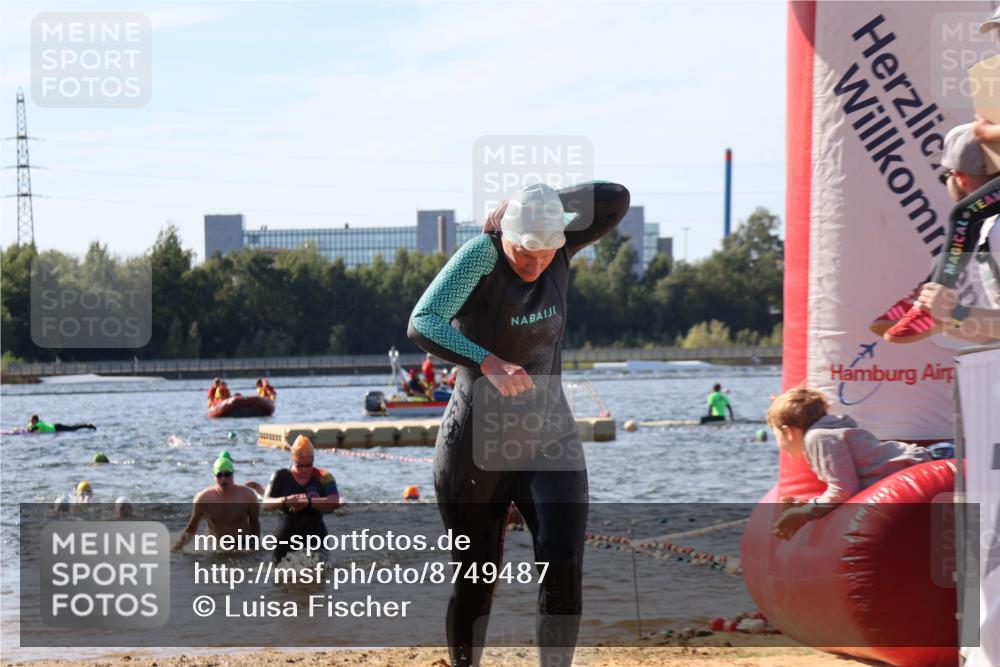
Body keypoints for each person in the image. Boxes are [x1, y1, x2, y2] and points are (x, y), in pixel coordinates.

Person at [408, 181, 630, 667]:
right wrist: (486, 361)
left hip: (549, 438)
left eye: (545, 254)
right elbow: (423, 321)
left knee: (563, 562)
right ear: (506, 234)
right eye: (525, 252)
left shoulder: (561, 245)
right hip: (475, 445)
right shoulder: (481, 257)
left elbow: (616, 199)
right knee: (477, 578)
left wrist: (539, 204)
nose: (535, 265)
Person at [882, 123, 1000, 342]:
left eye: (945, 175)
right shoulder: (988, 227)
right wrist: (948, 316)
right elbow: (992, 335)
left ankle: (924, 311)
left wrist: (956, 312)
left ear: (960, 176)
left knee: (962, 215)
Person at [767, 388, 931, 540]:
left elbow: (845, 489)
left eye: (776, 435)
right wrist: (810, 504)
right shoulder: (826, 433)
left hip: (921, 466)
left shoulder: (818, 438)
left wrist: (804, 513)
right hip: (921, 463)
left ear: (788, 431)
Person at [262, 435, 341, 562]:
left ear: (313, 460)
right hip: (285, 541)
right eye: (300, 465)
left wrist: (308, 502)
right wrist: (285, 500)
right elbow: (265, 504)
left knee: (318, 574)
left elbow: (335, 501)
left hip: (315, 539)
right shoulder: (280, 476)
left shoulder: (324, 476)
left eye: (309, 465)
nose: (305, 470)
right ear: (293, 459)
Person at [173, 451, 261, 551]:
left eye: (227, 474)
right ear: (214, 477)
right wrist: (177, 548)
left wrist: (255, 549)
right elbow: (192, 528)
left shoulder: (248, 496)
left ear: (233, 475)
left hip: (242, 545)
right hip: (216, 548)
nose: (223, 479)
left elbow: (255, 523)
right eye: (219, 475)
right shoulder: (203, 499)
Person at [27, 415, 95, 433]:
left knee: (73, 428)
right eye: (30, 421)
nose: (31, 422)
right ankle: (85, 425)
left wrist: (28, 430)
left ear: (36, 420)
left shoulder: (39, 424)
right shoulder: (33, 423)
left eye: (32, 421)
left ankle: (87, 426)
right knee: (72, 427)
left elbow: (31, 430)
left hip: (58, 428)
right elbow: (28, 428)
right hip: (56, 426)